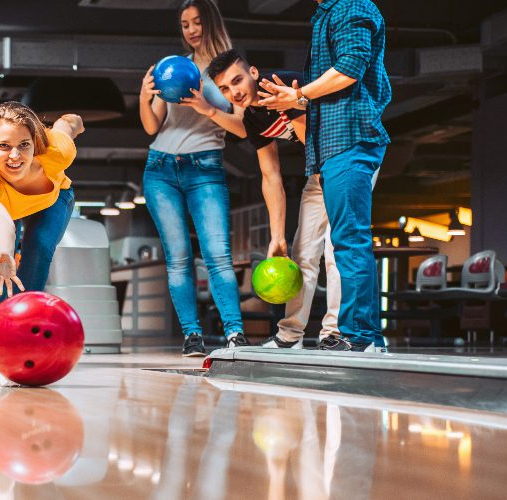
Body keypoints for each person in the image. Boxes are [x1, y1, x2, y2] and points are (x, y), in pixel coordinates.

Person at [208, 50, 380, 350]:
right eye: (224, 88)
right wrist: (277, 236)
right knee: (301, 251)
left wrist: (288, 108)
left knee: (335, 247)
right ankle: (290, 335)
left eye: (237, 80)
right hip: (320, 170)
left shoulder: (285, 84)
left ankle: (335, 332)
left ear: (253, 72)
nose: (234, 92)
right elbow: (271, 176)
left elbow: (310, 137)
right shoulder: (253, 116)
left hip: (352, 156)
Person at [257, 0, 391, 352]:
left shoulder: (350, 6)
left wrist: (299, 94)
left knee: (348, 241)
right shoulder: (326, 14)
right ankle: (350, 334)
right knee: (341, 242)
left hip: (351, 138)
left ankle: (361, 337)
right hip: (332, 148)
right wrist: (299, 101)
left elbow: (350, 68)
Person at [140, 0, 251, 357]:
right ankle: (192, 335)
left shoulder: (229, 69)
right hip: (160, 169)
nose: (191, 30)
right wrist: (145, 97)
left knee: (218, 255)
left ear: (211, 22)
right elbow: (151, 126)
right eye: (185, 24)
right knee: (178, 258)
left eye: (197, 22)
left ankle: (235, 333)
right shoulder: (175, 67)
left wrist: (207, 107)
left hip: (205, 168)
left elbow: (241, 127)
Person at [0, 102, 85, 362]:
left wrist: (74, 119)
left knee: (40, 246)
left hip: (52, 200)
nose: (15, 155)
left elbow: (66, 126)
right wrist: (4, 252)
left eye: (24, 145)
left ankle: (23, 333)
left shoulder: (56, 151)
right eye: (3, 146)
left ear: (35, 142)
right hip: (4, 211)